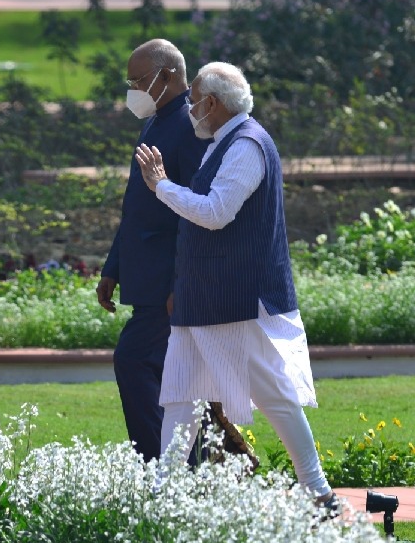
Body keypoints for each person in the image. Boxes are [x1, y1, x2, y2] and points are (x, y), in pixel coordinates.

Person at [134, 61, 340, 512]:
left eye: (193, 102)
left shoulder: (247, 145)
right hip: (203, 297)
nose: (189, 109)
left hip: (235, 297)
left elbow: (215, 212)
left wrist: (162, 185)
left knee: (272, 393)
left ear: (211, 103)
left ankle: (318, 490)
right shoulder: (225, 142)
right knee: (181, 396)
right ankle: (162, 496)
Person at [96, 39, 210, 462]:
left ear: (168, 76)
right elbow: (137, 207)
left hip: (167, 283)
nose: (134, 90)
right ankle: (186, 469)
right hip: (144, 277)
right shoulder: (154, 122)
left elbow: (193, 211)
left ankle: (162, 467)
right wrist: (114, 267)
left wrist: (184, 282)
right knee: (168, 379)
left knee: (134, 362)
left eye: (140, 80)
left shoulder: (189, 127)